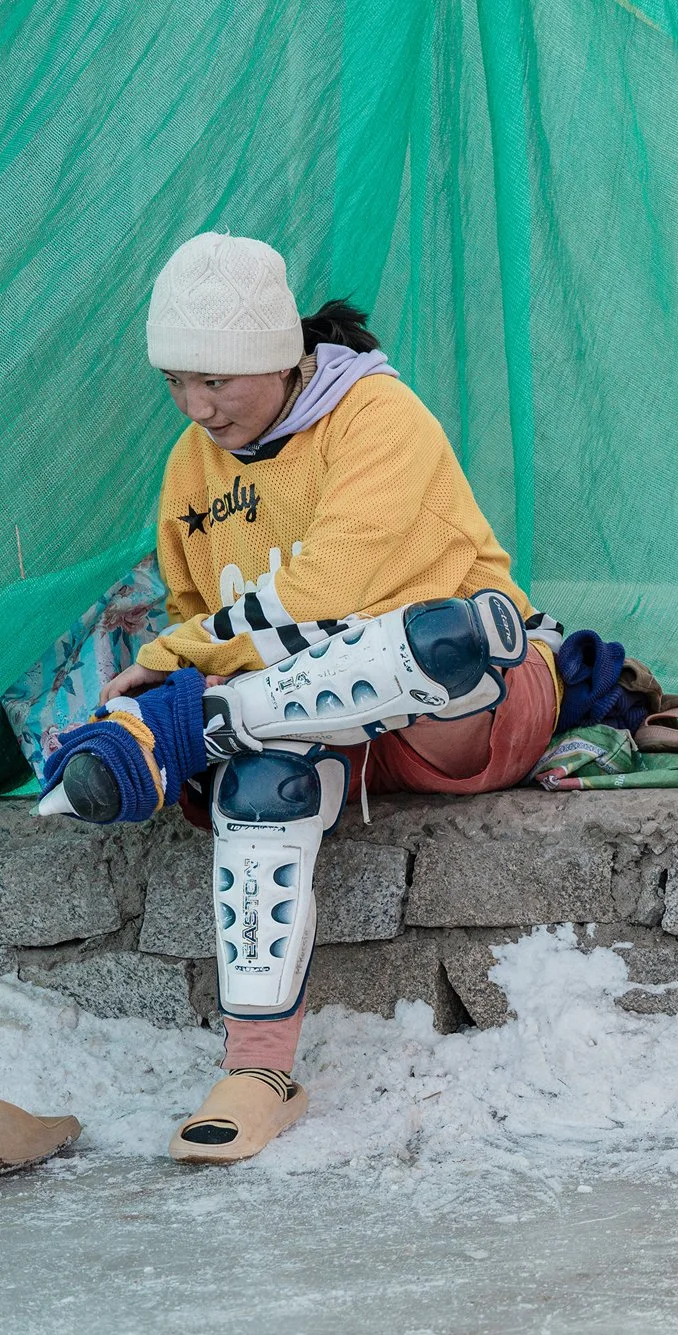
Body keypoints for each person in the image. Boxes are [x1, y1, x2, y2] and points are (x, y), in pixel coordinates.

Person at [38, 232, 563, 1164]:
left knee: (434, 638)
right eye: (176, 383)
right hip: (317, 719)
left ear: (278, 358)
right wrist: (199, 674)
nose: (196, 408)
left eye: (216, 382)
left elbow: (331, 588)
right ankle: (258, 1072)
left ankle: (206, 731)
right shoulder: (190, 471)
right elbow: (207, 620)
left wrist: (181, 674)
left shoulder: (377, 416)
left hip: (470, 696)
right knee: (260, 780)